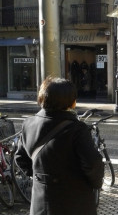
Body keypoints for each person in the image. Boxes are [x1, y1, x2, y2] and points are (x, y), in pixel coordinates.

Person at [14, 76, 104, 215]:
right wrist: (95, 184)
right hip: (74, 201)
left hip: (41, 202)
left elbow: (20, 157)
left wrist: (40, 177)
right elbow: (93, 164)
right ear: (71, 102)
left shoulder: (29, 124)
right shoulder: (77, 129)